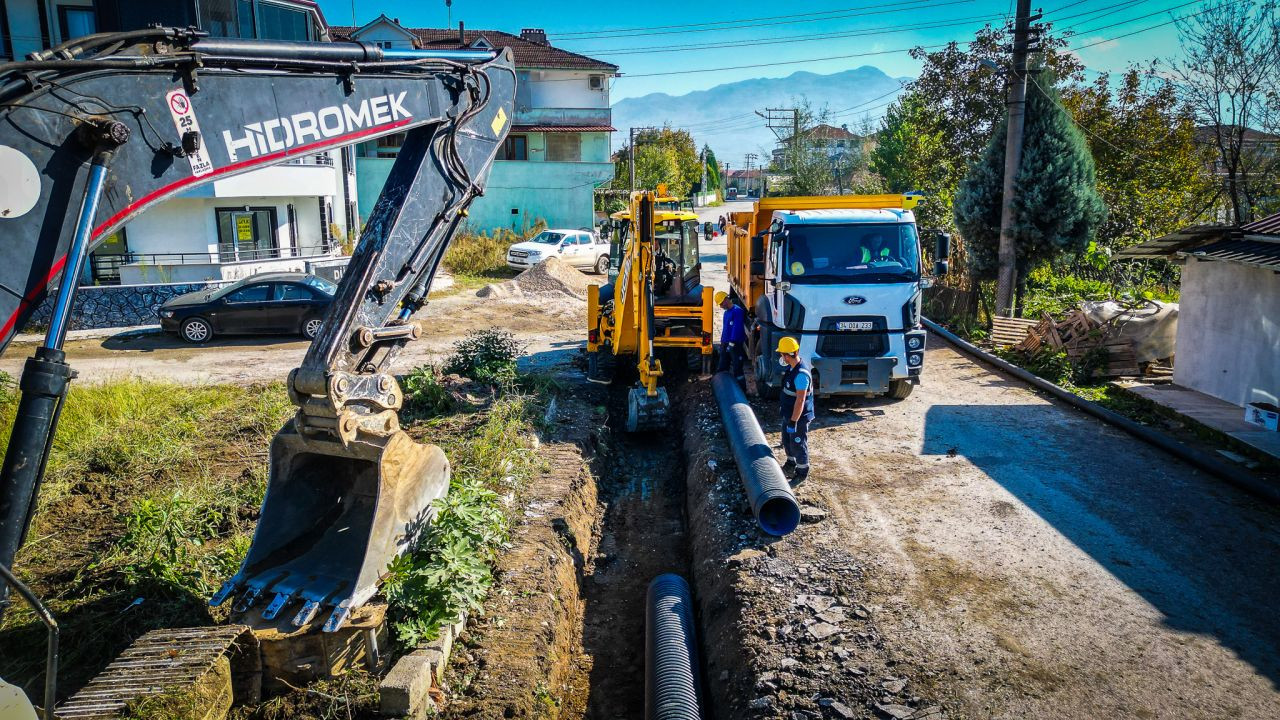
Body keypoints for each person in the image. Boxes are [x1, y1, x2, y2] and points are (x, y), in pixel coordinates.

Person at [776, 336, 815, 484]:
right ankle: (791, 464)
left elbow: (800, 400)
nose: (781, 357)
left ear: (787, 355)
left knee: (798, 443)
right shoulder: (792, 368)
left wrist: (794, 421)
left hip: (799, 417)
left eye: (781, 354)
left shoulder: (801, 375)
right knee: (787, 440)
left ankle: (801, 472)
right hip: (789, 414)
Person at [716, 290, 747, 388]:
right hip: (726, 343)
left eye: (721, 304)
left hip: (735, 344)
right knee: (722, 366)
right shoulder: (727, 313)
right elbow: (726, 329)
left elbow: (737, 329)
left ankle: (742, 389)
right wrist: (723, 343)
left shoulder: (737, 311)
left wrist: (732, 344)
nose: (721, 306)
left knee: (737, 367)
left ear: (726, 300)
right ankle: (722, 387)